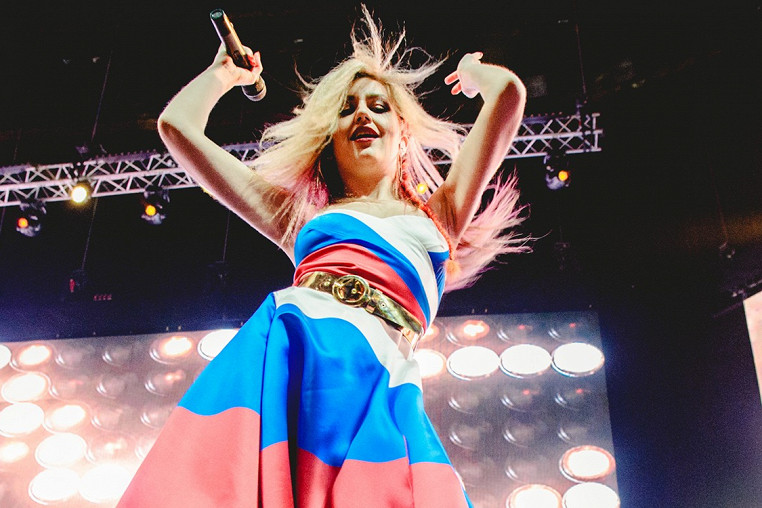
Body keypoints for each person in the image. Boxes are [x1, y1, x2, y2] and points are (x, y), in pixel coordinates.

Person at [118, 7, 526, 508]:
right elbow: (177, 127)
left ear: (402, 135)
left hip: (380, 377)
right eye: (347, 108)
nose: (363, 115)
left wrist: (472, 71)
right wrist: (223, 74)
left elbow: (508, 95)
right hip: (295, 353)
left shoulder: (441, 213)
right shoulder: (300, 219)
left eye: (379, 106)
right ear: (330, 139)